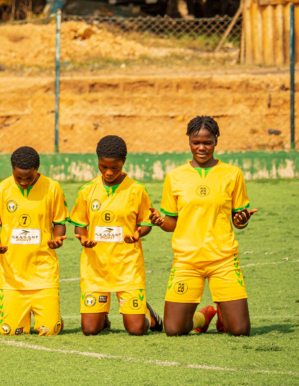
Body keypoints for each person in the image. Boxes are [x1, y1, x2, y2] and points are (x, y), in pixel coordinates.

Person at [150, 116, 257, 337]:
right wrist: (161, 222)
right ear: (188, 141)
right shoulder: (175, 176)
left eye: (207, 142)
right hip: (187, 260)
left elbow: (240, 217)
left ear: (216, 141)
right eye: (195, 142)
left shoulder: (232, 174)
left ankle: (224, 315)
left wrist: (242, 220)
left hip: (223, 259)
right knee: (174, 330)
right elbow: (172, 223)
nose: (201, 147)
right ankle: (205, 315)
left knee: (240, 331)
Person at [68, 135, 163, 336]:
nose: (109, 172)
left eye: (115, 168)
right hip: (96, 269)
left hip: (128, 268)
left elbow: (145, 223)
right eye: (103, 167)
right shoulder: (87, 191)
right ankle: (102, 316)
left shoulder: (137, 190)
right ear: (98, 162)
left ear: (124, 163)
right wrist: (83, 239)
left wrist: (139, 234)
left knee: (137, 329)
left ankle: (149, 315)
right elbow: (80, 226)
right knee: (90, 330)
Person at [0, 146, 68, 336]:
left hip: (44, 272)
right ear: (12, 169)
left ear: (37, 169)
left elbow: (59, 222)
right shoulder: (0, 191)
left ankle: (55, 318)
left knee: (50, 331)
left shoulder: (52, 188)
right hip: (13, 276)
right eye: (18, 177)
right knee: (11, 331)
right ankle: (9, 316)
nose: (23, 181)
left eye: (28, 178)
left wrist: (57, 239)